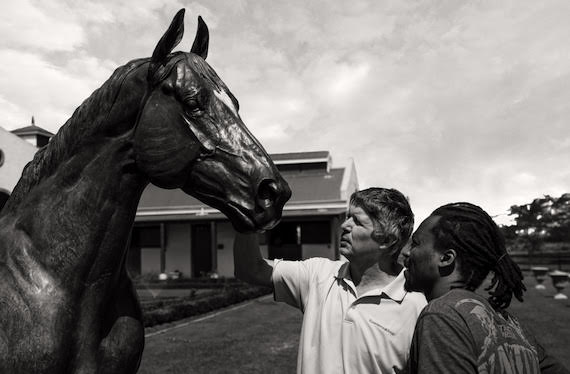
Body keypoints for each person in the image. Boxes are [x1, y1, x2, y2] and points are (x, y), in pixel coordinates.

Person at [234, 187, 427, 374]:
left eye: (357, 222)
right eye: (347, 217)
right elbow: (251, 269)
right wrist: (247, 215)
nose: (344, 226)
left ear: (387, 241)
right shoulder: (318, 275)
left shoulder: (416, 306)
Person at [402, 202, 569, 374]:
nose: (406, 252)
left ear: (446, 258)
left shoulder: (441, 316)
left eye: (415, 243)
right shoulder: (512, 325)